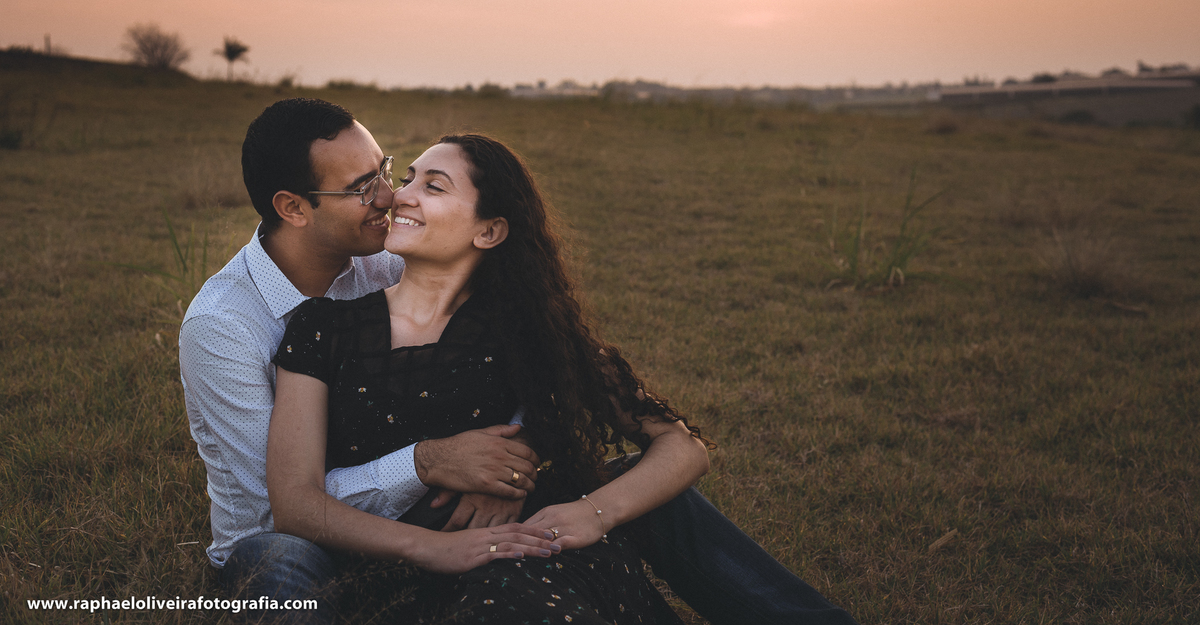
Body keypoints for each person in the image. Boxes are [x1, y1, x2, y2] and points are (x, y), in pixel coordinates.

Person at [179, 98, 857, 624]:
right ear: (294, 208)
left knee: (638, 496)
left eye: (398, 174)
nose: (393, 198)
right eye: (370, 185)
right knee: (276, 558)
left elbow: (516, 349)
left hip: (487, 530)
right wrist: (430, 463)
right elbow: (283, 507)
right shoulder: (238, 327)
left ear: (489, 230)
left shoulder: (401, 259)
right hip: (300, 536)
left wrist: (520, 459)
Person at [268, 134, 713, 621]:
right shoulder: (323, 328)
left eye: (434, 187)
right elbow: (294, 503)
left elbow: (681, 444)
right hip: (389, 570)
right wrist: (431, 548)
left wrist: (590, 513)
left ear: (489, 232)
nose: (401, 195)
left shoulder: (529, 329)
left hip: (525, 560)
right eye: (408, 178)